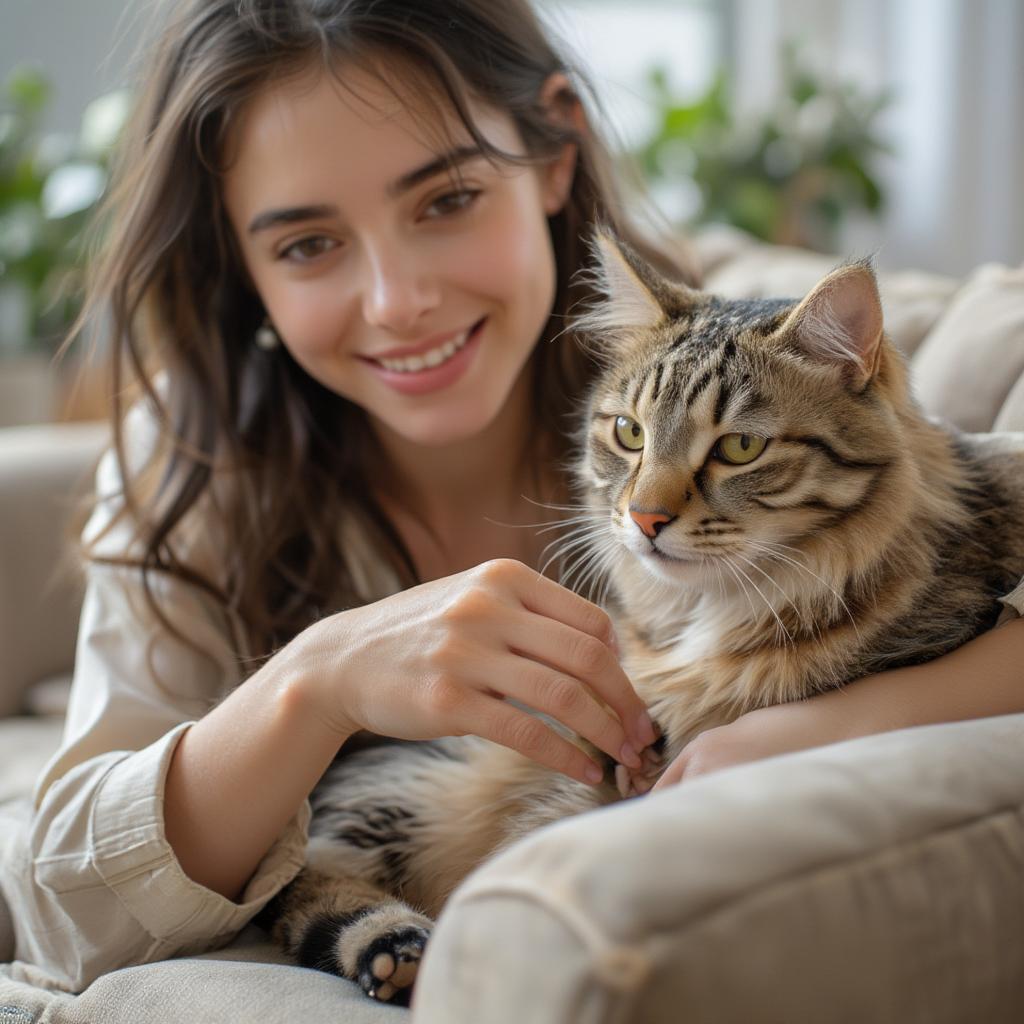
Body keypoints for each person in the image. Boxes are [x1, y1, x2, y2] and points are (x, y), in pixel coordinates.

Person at [3, 0, 1022, 997]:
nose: (399, 302)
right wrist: (317, 680)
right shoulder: (196, 451)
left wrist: (826, 726)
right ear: (238, 257)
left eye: (446, 200)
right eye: (307, 243)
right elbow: (59, 914)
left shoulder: (719, 317)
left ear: (556, 152)